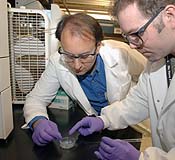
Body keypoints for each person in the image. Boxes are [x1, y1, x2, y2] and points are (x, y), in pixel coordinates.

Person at [69, 0, 175, 159]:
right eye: (127, 37)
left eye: (137, 34)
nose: (132, 46)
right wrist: (104, 120)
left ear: (169, 16)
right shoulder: (161, 53)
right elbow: (140, 100)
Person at [23, 13, 146, 146]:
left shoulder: (121, 53)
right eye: (69, 55)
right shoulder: (57, 62)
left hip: (132, 125)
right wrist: (38, 121)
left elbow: (151, 78)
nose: (77, 66)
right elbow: (36, 98)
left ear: (98, 46)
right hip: (93, 127)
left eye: (85, 56)